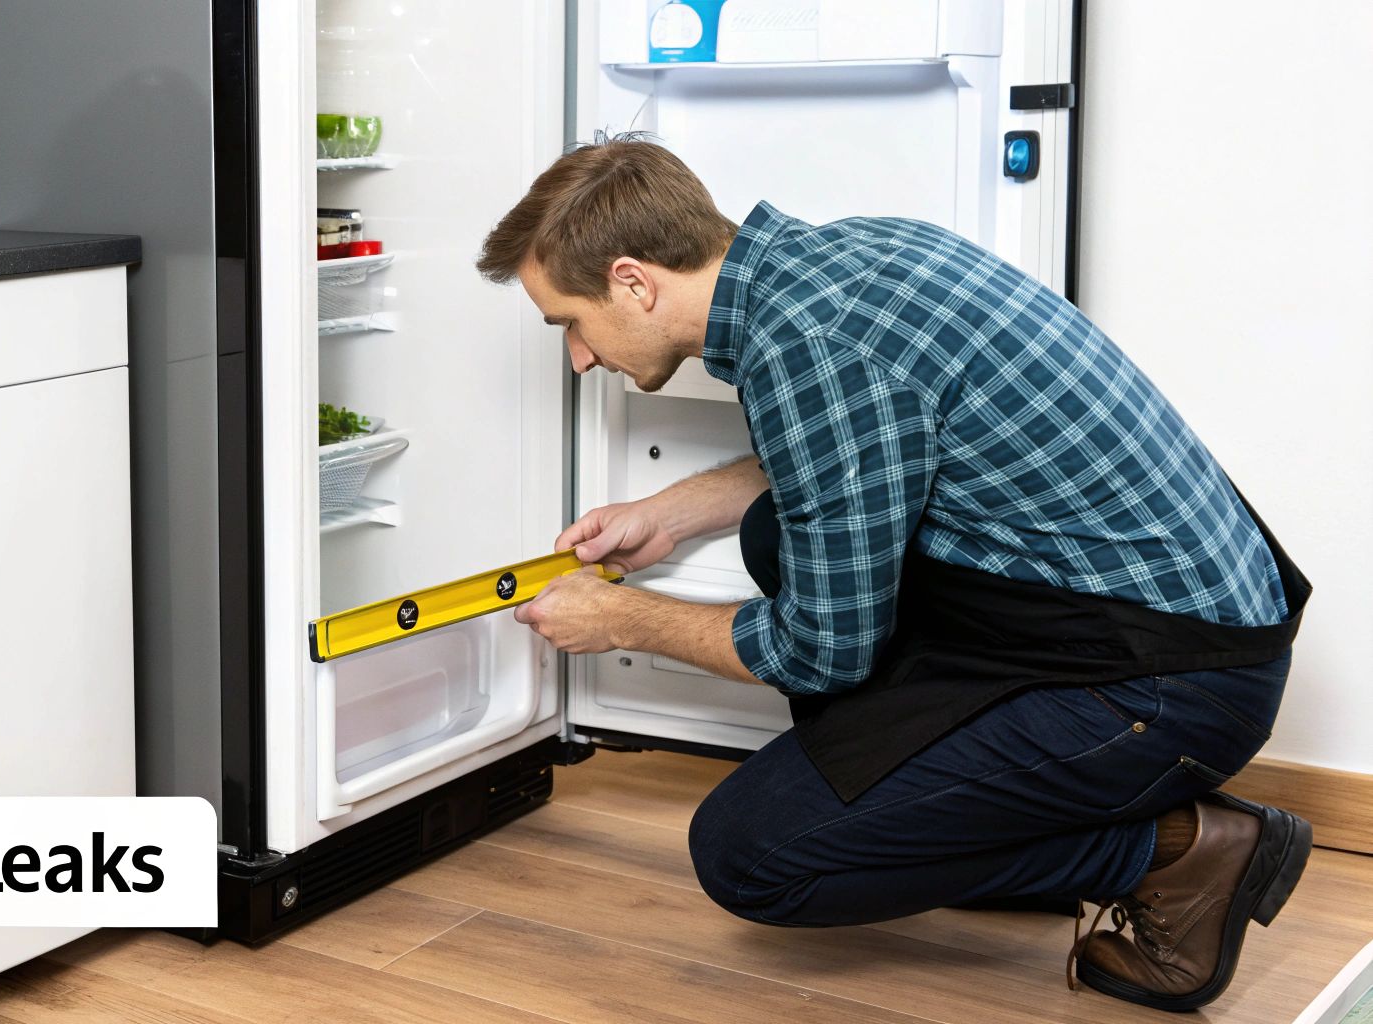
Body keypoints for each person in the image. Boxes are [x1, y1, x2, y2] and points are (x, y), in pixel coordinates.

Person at [477, 137, 1313, 1012]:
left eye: (568, 321)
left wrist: (624, 622)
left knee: (752, 856)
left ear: (633, 281)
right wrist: (670, 513)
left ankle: (1175, 853)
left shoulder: (808, 348)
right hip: (1173, 630)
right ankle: (935, 806)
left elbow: (821, 652)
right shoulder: (841, 261)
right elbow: (855, 449)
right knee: (775, 535)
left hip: (1165, 687)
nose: (577, 355)